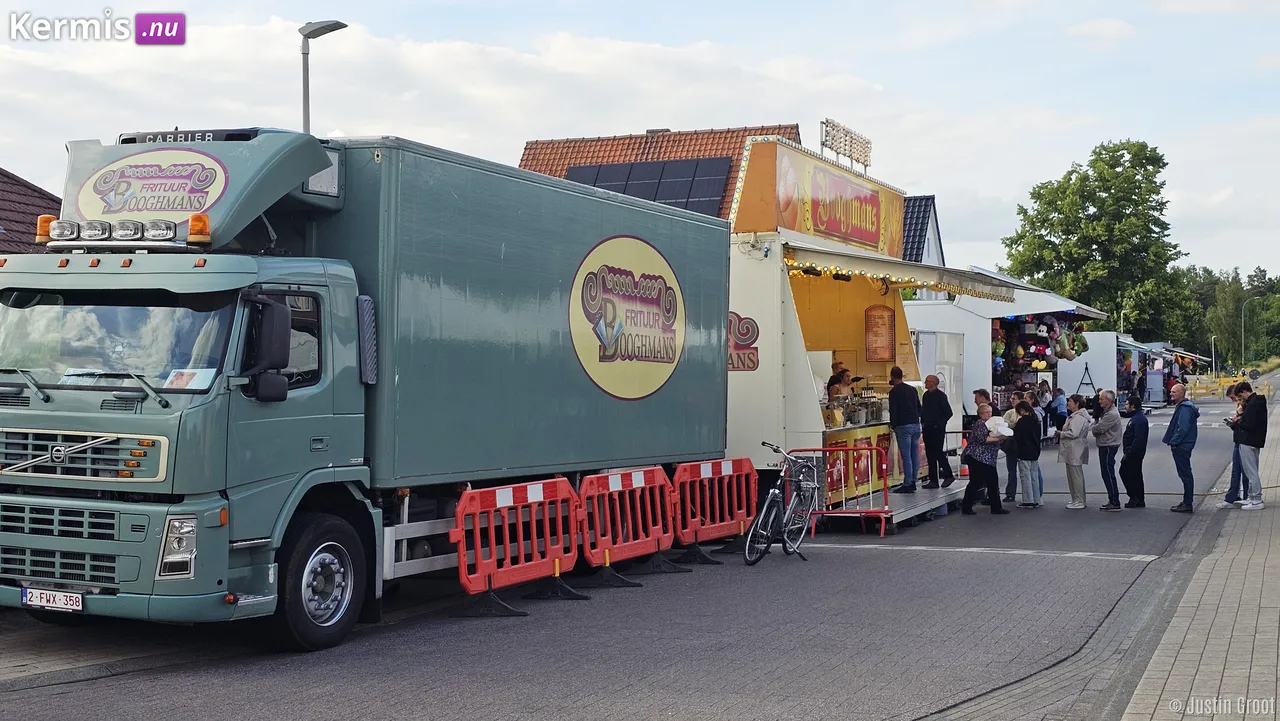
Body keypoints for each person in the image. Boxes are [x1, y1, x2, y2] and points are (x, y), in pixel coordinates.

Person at [960, 404, 1009, 515]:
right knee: (977, 482)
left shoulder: (992, 425)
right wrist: (1000, 437)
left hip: (987, 459)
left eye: (990, 412)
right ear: (980, 413)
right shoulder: (980, 424)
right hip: (978, 457)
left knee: (990, 483)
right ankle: (967, 506)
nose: (989, 414)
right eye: (986, 412)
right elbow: (983, 439)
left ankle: (995, 507)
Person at [1226, 381, 1267, 511]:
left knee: (1251, 471)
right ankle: (1251, 497)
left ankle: (1256, 500)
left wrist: (1237, 421)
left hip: (1248, 440)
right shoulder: (1257, 402)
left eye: (1240, 396)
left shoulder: (1253, 404)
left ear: (1244, 392)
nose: (1240, 399)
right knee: (1252, 470)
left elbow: (1249, 424)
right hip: (1255, 440)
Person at [1163, 383, 1200, 513]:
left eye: (1174, 392)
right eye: (1171, 391)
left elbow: (1182, 428)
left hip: (1182, 445)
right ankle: (1186, 501)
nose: (1171, 393)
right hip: (1185, 444)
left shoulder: (1184, 408)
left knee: (1185, 474)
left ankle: (1188, 503)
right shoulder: (1184, 406)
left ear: (1181, 393)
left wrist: (1174, 442)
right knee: (1185, 474)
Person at [888, 366, 922, 494]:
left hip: (903, 426)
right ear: (902, 376)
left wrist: (893, 424)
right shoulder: (912, 390)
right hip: (915, 424)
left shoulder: (894, 392)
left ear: (892, 376)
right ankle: (913, 480)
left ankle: (907, 483)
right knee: (914, 454)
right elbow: (919, 407)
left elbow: (893, 410)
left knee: (906, 456)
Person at [921, 375, 955, 489]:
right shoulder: (926, 395)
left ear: (933, 383)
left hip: (937, 429)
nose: (925, 383)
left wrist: (939, 424)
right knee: (930, 454)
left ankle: (948, 474)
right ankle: (933, 480)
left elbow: (948, 413)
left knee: (938, 452)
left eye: (927, 381)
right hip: (927, 428)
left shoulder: (941, 396)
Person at [1058, 394, 1092, 509]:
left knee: (1076, 475)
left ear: (1077, 404)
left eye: (1071, 401)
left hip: (1075, 448)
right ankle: (1076, 499)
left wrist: (1061, 434)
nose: (1068, 403)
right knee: (1072, 475)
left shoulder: (1078, 417)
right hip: (1073, 448)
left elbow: (1073, 433)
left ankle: (1079, 500)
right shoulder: (1075, 416)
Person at [1216, 385, 1248, 509]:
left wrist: (1238, 418)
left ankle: (1243, 496)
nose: (1234, 401)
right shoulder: (1241, 405)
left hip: (1243, 440)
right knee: (1238, 469)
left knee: (1242, 470)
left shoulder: (1245, 406)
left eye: (1233, 398)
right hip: (1239, 440)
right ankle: (1240, 496)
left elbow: (1246, 422)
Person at [1091, 390, 1124, 512]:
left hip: (1108, 445)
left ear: (1109, 400)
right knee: (1106, 472)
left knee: (1108, 473)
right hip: (1107, 444)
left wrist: (1094, 428)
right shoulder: (1107, 412)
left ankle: (1114, 501)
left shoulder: (1111, 414)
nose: (1099, 401)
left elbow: (1098, 429)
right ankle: (1112, 499)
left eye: (1101, 399)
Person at [1119, 393, 1148, 508]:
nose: (1125, 406)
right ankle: (1139, 498)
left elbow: (1138, 439)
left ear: (1133, 406)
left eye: (1127, 404)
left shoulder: (1139, 419)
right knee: (1135, 475)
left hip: (1134, 453)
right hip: (1133, 452)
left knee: (1127, 473)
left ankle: (1134, 497)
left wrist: (1129, 452)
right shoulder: (1136, 417)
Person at [1013, 401, 1042, 508]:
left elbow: (1017, 437)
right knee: (1034, 476)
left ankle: (1028, 500)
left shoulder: (1022, 422)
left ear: (1021, 410)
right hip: (1034, 451)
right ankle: (1036, 499)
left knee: (1025, 476)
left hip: (1024, 451)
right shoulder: (1036, 420)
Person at [1001, 392, 1024, 503]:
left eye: (1014, 398)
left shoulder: (1024, 412)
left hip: (1023, 446)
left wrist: (1013, 424)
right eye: (1011, 398)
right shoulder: (1009, 412)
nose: (1011, 400)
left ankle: (1030, 494)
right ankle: (1010, 493)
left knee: (1027, 471)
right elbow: (1003, 424)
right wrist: (1014, 424)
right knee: (1011, 470)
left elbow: (1019, 425)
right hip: (1011, 446)